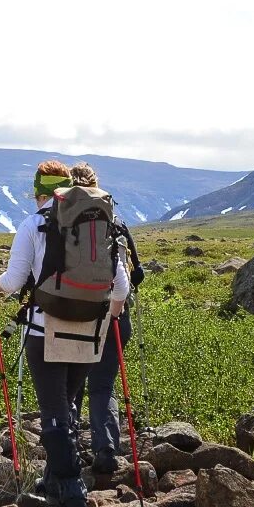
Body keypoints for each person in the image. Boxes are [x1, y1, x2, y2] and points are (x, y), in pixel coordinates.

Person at [0, 160, 129, 507]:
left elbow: (14, 282)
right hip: (88, 332)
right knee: (70, 405)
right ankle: (51, 482)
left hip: (44, 330)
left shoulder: (33, 224)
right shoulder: (101, 224)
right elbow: (121, 289)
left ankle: (72, 489)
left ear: (39, 192)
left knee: (53, 414)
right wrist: (101, 314)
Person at [67, 163, 144, 474]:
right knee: (102, 386)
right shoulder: (114, 223)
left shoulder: (63, 224)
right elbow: (131, 278)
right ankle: (107, 448)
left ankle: (67, 450)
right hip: (113, 317)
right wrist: (114, 311)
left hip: (74, 317)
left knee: (71, 386)